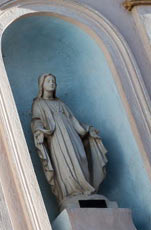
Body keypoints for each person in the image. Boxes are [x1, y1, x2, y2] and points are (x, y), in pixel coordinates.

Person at [30, 72, 108, 205]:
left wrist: (87, 129)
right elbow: (36, 121)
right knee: (64, 164)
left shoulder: (60, 103)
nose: (52, 83)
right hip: (56, 139)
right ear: (42, 85)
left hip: (72, 136)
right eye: (49, 81)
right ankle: (72, 192)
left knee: (80, 158)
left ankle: (86, 189)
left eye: (54, 81)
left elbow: (73, 120)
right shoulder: (39, 103)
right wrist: (40, 130)